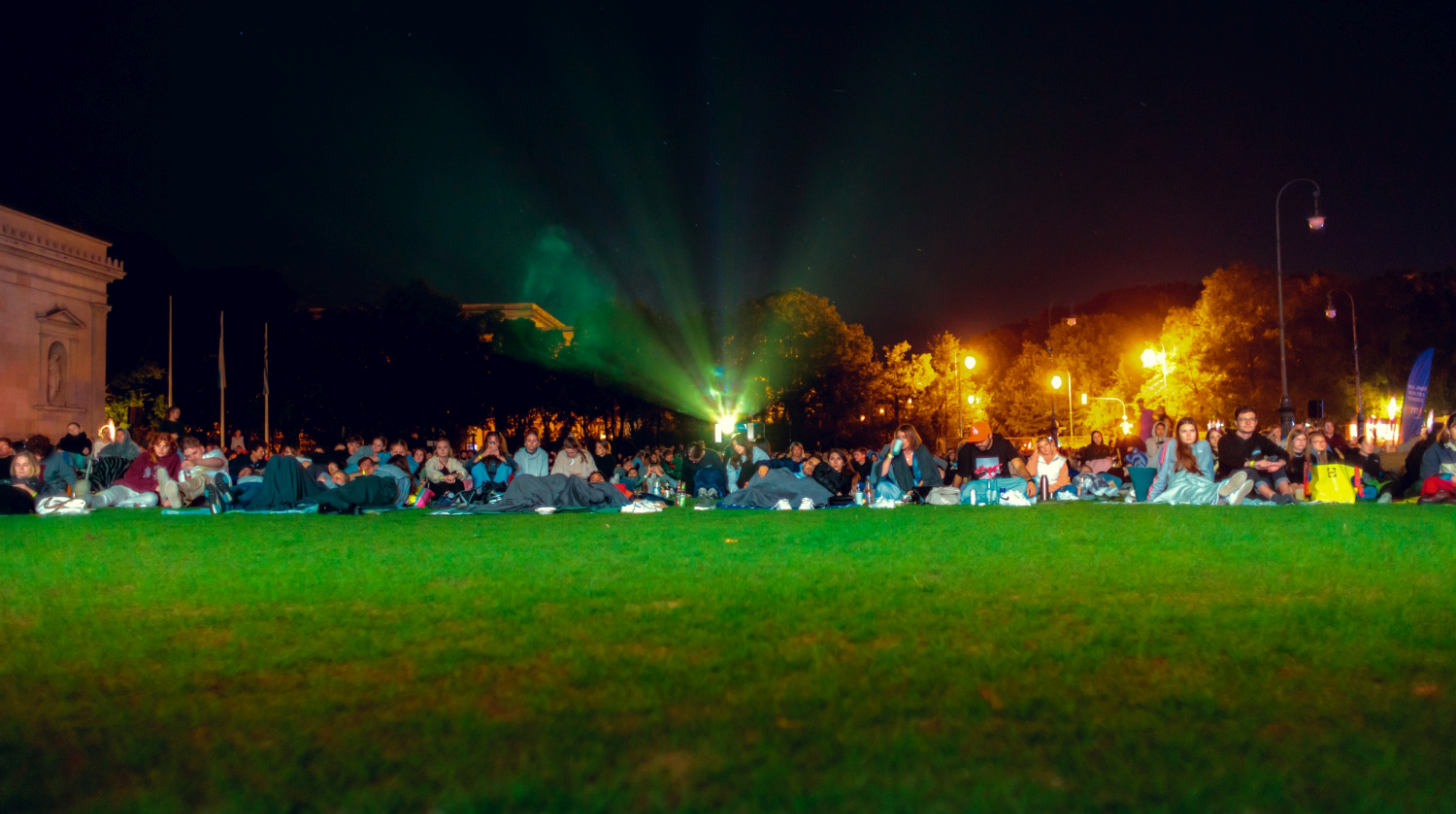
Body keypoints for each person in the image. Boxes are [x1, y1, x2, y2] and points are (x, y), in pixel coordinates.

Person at [1149, 418, 1254, 505]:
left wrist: (1207, 484)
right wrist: (1151, 498)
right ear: (1178, 433)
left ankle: (1226, 495)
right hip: (1179, 484)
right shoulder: (1170, 445)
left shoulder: (1204, 445)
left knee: (1204, 489)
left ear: (1196, 432)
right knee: (1191, 491)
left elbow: (1208, 472)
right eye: (1184, 431)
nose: (1189, 435)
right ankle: (1228, 493)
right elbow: (1161, 474)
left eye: (1192, 431)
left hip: (1201, 483)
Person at [1216, 405, 1293, 502]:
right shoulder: (1225, 440)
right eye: (1243, 419)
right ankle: (1274, 497)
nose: (1248, 422)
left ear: (1256, 422)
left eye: (1251, 419)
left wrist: (1278, 464)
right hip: (1232, 480)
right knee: (1249, 469)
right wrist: (1253, 464)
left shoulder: (1259, 439)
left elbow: (1283, 453)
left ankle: (1286, 495)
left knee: (1274, 459)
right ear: (1236, 422)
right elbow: (1228, 459)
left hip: (1258, 483)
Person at [88, 433, 181, 509]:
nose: (161, 449)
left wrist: (170, 496)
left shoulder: (174, 459)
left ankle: (120, 506)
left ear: (170, 447)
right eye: (158, 445)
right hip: (128, 488)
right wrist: (154, 486)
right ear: (153, 445)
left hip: (148, 494)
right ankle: (85, 502)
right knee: (108, 495)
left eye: (165, 446)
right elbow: (131, 478)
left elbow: (173, 481)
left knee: (152, 499)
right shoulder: (144, 457)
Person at [954, 421, 1030, 501]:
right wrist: (953, 494)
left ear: (990, 435)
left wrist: (1030, 480)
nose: (978, 444)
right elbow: (960, 474)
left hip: (1003, 485)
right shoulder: (966, 449)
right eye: (975, 441)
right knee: (969, 488)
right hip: (981, 486)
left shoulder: (1003, 444)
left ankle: (999, 497)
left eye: (981, 440)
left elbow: (1018, 463)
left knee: (1027, 483)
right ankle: (1003, 499)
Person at [872, 424, 940, 503]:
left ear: (911, 437)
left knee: (918, 494)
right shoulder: (896, 454)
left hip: (921, 490)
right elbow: (882, 474)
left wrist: (914, 492)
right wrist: (891, 454)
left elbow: (927, 478)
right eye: (898, 438)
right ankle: (900, 501)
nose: (901, 440)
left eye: (904, 437)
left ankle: (907, 500)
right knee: (882, 486)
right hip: (902, 490)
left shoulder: (921, 450)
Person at [164, 436, 229, 509]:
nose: (192, 458)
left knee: (204, 478)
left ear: (202, 448)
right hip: (198, 497)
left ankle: (178, 489)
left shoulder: (214, 454)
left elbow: (219, 462)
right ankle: (179, 496)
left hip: (220, 488)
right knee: (169, 502)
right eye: (188, 456)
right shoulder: (185, 470)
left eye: (195, 453)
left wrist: (196, 462)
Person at [26, 435, 76, 499]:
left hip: (55, 489)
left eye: (41, 454)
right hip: (36, 490)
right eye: (35, 454)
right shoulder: (27, 457)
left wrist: (77, 492)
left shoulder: (57, 457)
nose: (39, 457)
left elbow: (69, 474)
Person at [1345, 435, 1394, 502]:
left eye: (1372, 444)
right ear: (1359, 445)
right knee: (1367, 479)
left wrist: (1386, 475)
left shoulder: (1375, 457)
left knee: (1392, 480)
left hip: (1375, 482)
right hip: (1362, 482)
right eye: (1367, 444)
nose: (1371, 446)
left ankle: (1385, 495)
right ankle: (1378, 495)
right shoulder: (1353, 457)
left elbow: (1379, 471)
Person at [1283, 428, 1311, 497]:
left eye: (1304, 439)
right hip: (1289, 488)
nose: (1301, 442)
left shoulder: (1311, 457)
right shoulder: (1284, 457)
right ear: (1292, 441)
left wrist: (1304, 485)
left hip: (1307, 488)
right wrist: (1291, 485)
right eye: (1298, 439)